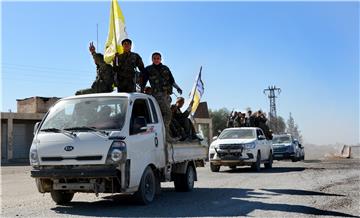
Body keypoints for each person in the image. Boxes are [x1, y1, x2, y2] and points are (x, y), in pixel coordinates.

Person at [140, 52, 182, 142]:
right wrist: (141, 92)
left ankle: (163, 134)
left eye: (158, 58)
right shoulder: (149, 69)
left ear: (160, 59)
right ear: (152, 59)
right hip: (157, 95)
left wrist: (178, 88)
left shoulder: (165, 68)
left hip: (166, 95)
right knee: (168, 114)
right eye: (154, 58)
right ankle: (165, 136)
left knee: (163, 115)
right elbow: (143, 81)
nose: (156, 60)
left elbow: (172, 81)